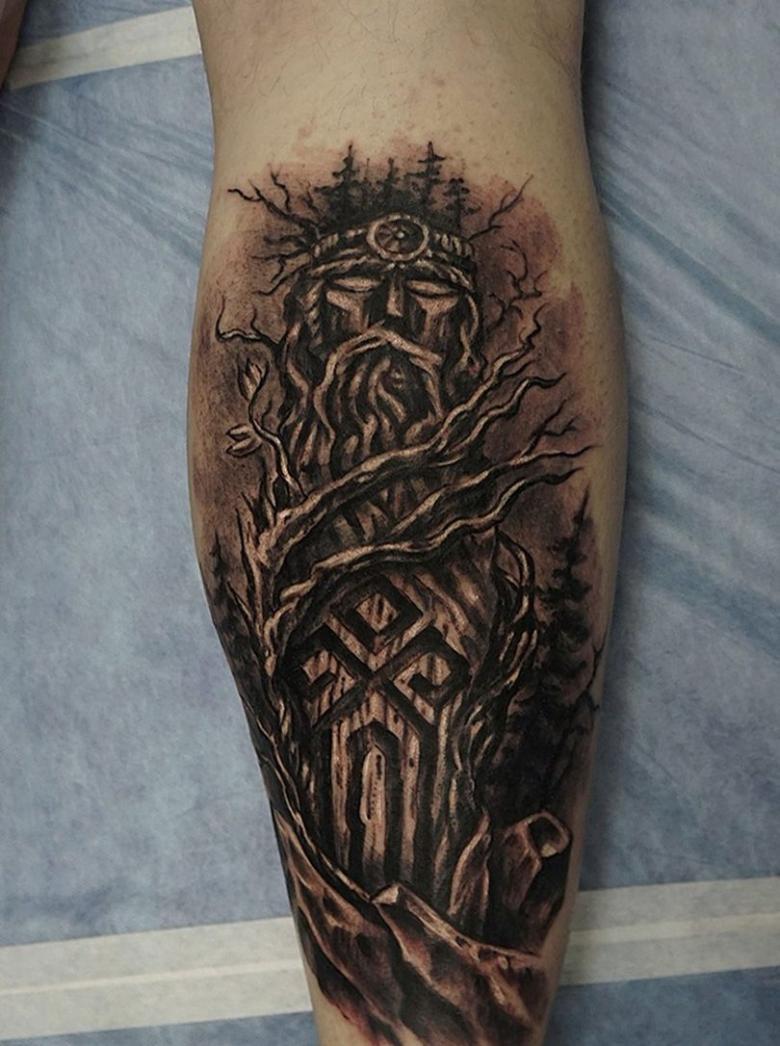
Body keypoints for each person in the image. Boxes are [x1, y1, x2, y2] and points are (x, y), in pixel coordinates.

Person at [188, 2, 626, 1043]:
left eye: (422, 305)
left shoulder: (478, 567)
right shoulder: (303, 525)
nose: (388, 321)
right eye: (358, 300)